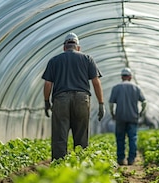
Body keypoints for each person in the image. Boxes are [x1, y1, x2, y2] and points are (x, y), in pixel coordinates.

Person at [42, 32, 105, 161]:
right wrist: (101, 103)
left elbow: (48, 83)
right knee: (81, 136)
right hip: (82, 100)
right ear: (78, 47)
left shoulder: (54, 60)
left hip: (61, 99)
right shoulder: (87, 59)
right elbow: (95, 82)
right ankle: (80, 168)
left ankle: (59, 168)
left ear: (64, 47)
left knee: (60, 135)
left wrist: (46, 101)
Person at [109, 67, 147, 165]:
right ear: (130, 77)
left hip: (120, 117)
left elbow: (111, 104)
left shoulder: (116, 87)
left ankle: (121, 159)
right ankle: (131, 159)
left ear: (122, 77)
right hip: (133, 117)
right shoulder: (136, 87)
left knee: (120, 138)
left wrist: (113, 114)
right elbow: (144, 102)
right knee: (132, 138)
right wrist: (141, 112)